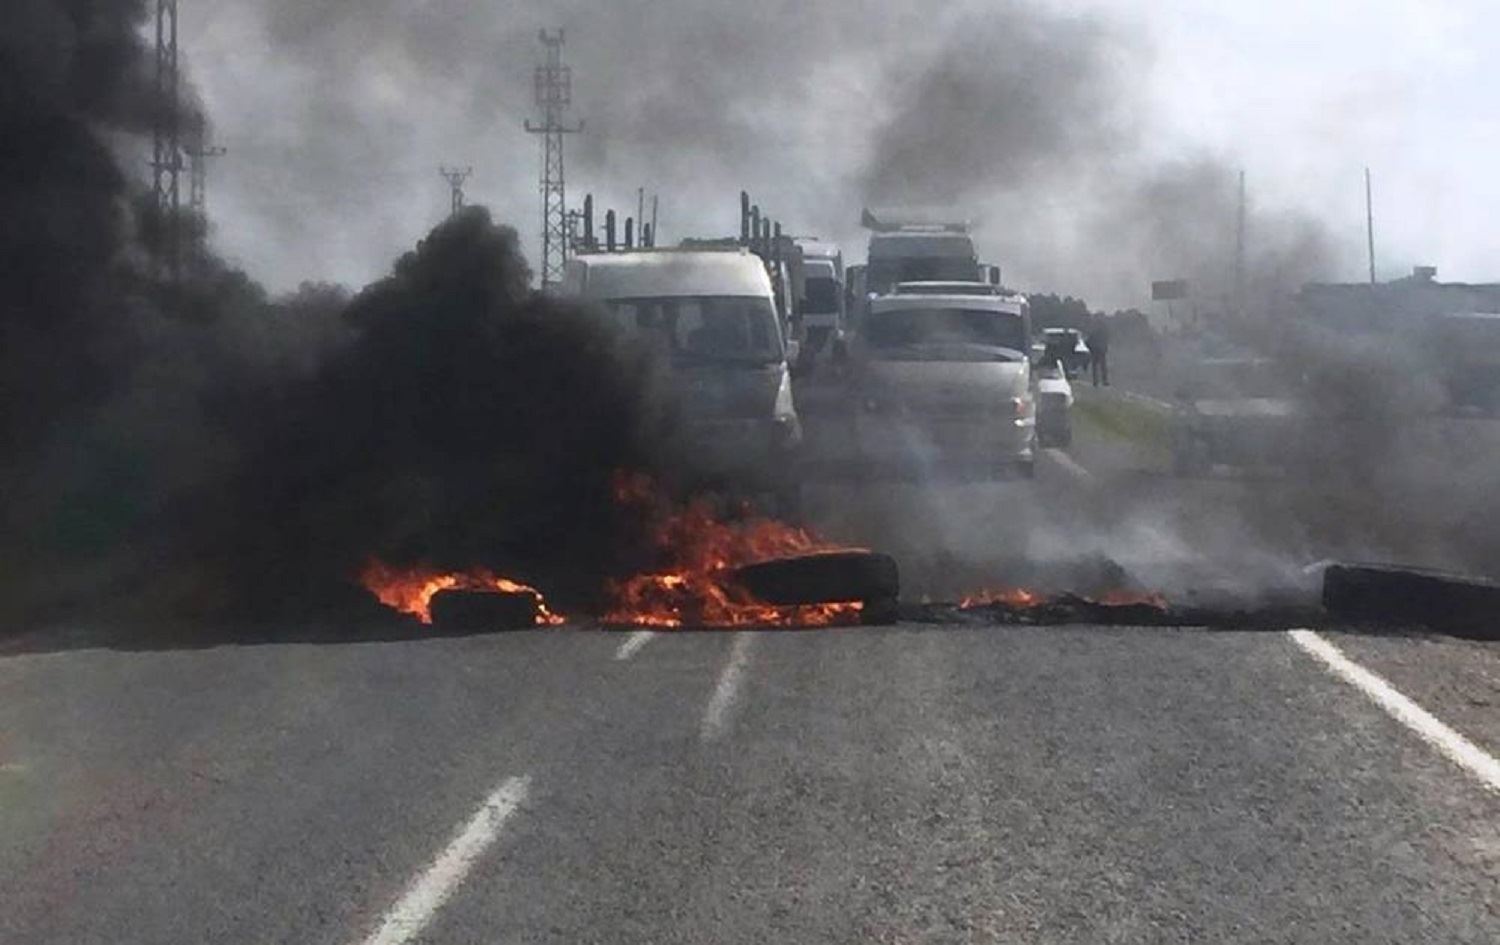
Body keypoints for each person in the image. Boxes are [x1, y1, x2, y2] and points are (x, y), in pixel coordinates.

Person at [1088, 314, 1111, 387]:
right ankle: (1103, 381)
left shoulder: (1095, 330)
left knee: (1096, 367)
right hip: (1099, 350)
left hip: (1096, 350)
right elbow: (1106, 339)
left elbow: (1090, 340)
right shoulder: (1103, 330)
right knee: (1102, 366)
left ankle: (1096, 381)